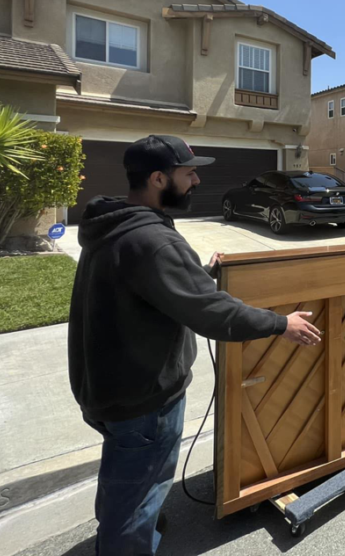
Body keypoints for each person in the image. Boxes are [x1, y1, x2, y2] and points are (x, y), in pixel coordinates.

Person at [68, 135, 321, 555]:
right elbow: (211, 314)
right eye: (188, 173)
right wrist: (281, 323)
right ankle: (128, 538)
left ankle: (133, 526)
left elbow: (149, 289)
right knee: (139, 489)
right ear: (157, 178)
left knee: (123, 477)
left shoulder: (115, 226)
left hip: (104, 386)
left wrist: (199, 271)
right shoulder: (152, 242)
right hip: (143, 396)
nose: (197, 180)